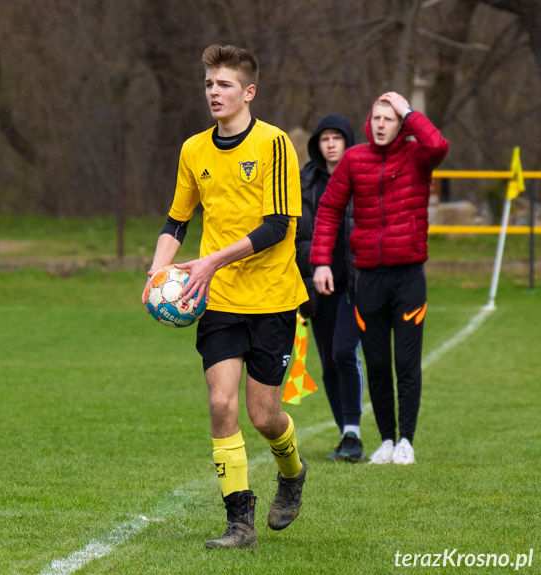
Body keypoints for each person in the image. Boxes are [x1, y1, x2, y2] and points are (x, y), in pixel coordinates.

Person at [142, 44, 309, 549]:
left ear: (248, 92)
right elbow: (177, 219)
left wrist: (211, 259)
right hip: (217, 300)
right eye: (210, 84)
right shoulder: (194, 149)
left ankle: (292, 472)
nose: (214, 92)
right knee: (220, 404)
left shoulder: (274, 144)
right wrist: (156, 270)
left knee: (264, 416)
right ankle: (239, 521)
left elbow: (279, 226)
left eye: (225, 85)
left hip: (274, 297)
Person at [311, 92, 449, 465]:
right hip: (367, 278)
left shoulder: (417, 156)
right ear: (369, 123)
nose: (382, 124)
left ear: (401, 122)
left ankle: (406, 441)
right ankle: (386, 440)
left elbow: (438, 144)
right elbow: (328, 210)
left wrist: (409, 110)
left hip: (408, 278)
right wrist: (321, 261)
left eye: (390, 118)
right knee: (375, 363)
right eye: (377, 118)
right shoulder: (355, 159)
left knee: (405, 362)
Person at [295, 114, 366, 462]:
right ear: (317, 144)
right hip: (316, 287)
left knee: (344, 352)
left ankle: (353, 431)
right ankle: (346, 437)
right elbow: (295, 234)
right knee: (328, 365)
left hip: (354, 283)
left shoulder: (360, 175)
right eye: (325, 138)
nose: (331, 143)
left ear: (348, 141)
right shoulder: (303, 181)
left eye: (338, 137)